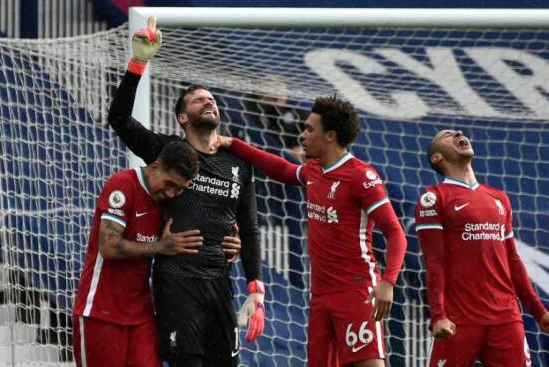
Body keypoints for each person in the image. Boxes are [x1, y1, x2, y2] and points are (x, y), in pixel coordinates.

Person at [107, 17, 265, 367]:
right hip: (177, 282)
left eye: (211, 98)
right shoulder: (169, 153)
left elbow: (249, 227)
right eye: (197, 100)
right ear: (182, 117)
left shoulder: (238, 164)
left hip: (220, 283)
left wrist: (255, 285)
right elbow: (119, 119)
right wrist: (138, 63)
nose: (207, 102)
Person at [216, 96, 408, 367]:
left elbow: (395, 233)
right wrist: (235, 145)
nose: (303, 135)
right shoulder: (314, 170)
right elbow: (283, 169)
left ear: (330, 136)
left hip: (356, 289)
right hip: (320, 295)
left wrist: (387, 282)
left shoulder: (362, 177)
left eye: (309, 129)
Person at [414, 129, 549, 366]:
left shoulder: (499, 198)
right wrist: (438, 315)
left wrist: (539, 312)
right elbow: (434, 262)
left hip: (505, 317)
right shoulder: (434, 198)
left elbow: (513, 261)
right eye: (447, 135)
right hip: (459, 320)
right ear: (437, 158)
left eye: (458, 132)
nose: (458, 132)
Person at [72, 141, 205, 367]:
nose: (173, 193)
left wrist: (232, 236)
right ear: (154, 167)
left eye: (181, 188)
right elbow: (109, 246)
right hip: (100, 313)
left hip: (141, 316)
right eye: (170, 184)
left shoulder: (167, 200)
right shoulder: (122, 185)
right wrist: (161, 246)